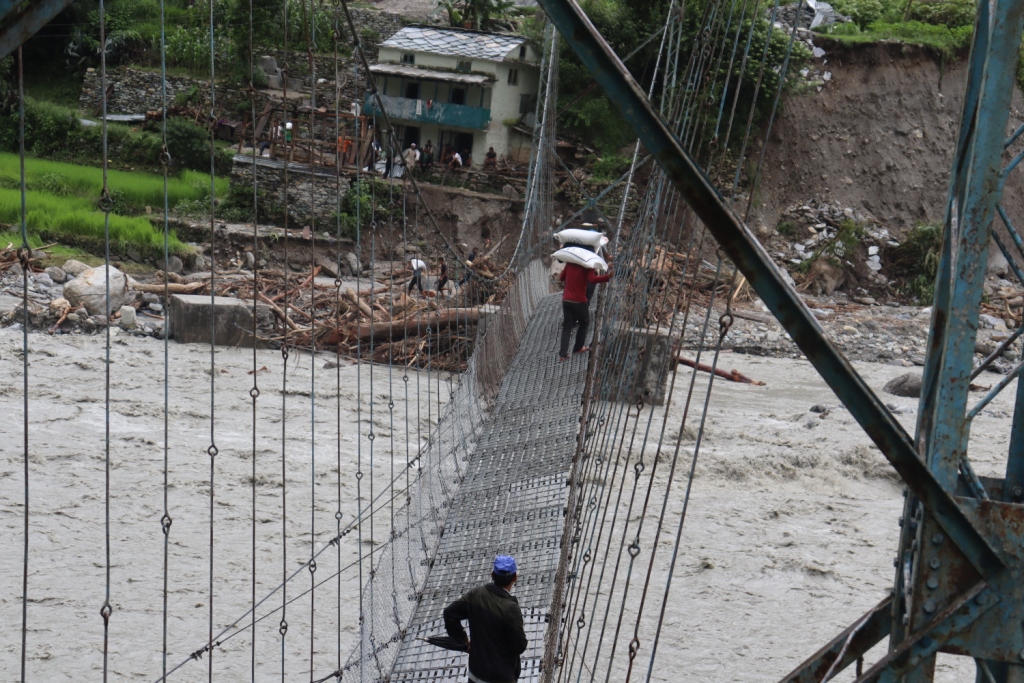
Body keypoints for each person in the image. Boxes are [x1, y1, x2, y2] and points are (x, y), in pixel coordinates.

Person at [443, 555, 527, 683]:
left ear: (492, 574)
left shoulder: (476, 594)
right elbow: (519, 646)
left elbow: (449, 613)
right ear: (515, 578)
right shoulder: (511, 609)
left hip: (476, 674)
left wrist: (463, 640)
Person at [559, 261, 612, 360]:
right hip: (579, 300)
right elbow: (592, 279)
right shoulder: (588, 265)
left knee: (567, 326)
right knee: (584, 323)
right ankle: (578, 347)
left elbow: (562, 278)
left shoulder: (570, 263)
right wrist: (607, 277)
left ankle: (563, 354)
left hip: (566, 299)